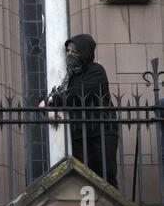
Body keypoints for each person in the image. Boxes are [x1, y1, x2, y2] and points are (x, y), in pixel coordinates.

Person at [43, 34, 119, 188]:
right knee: (84, 181)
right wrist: (47, 108)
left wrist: (50, 102)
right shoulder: (69, 76)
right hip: (79, 135)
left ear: (84, 53)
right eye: (68, 51)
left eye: (73, 51)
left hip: (101, 132)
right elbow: (49, 94)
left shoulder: (96, 71)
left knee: (106, 178)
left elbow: (78, 93)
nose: (69, 54)